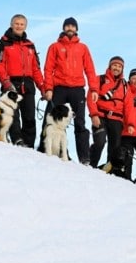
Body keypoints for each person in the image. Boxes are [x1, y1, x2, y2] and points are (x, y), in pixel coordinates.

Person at [39, 17, 99, 164]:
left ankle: (84, 158)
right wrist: (48, 88)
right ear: (63, 28)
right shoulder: (55, 46)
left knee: (80, 122)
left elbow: (90, 69)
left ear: (76, 29)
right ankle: (43, 149)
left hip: (77, 88)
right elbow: (48, 68)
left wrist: (94, 89)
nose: (70, 28)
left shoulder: (83, 47)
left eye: (73, 26)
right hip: (59, 87)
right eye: (67, 26)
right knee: (50, 118)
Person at [0, 14, 44, 147]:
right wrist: (5, 82)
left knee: (29, 118)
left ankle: (29, 145)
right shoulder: (2, 43)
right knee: (12, 116)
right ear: (11, 24)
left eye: (22, 24)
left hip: (27, 84)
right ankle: (17, 140)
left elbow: (36, 69)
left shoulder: (30, 45)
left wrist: (43, 88)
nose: (19, 26)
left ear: (25, 26)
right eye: (16, 23)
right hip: (11, 83)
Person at [87, 56, 127, 169]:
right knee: (99, 142)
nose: (117, 68)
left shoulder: (125, 85)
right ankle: (91, 165)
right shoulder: (99, 79)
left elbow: (128, 106)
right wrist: (94, 115)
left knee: (115, 148)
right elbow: (91, 98)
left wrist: (128, 123)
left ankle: (110, 171)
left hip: (117, 120)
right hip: (101, 116)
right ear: (110, 66)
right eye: (115, 65)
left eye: (119, 66)